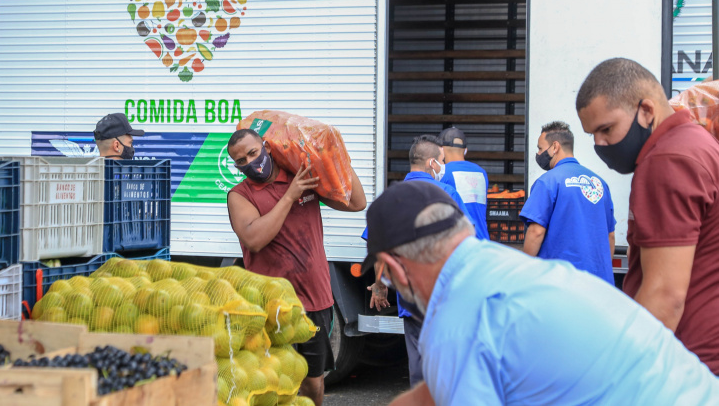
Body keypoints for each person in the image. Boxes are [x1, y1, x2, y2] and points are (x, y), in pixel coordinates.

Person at [360, 181, 719, 406]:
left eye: (385, 274)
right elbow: (432, 395)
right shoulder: (502, 268)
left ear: (396, 265)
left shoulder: (456, 323)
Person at [576, 57, 719, 373]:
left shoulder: (667, 160)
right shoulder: (697, 142)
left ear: (646, 111)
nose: (600, 145)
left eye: (606, 129)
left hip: (682, 366)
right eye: (592, 136)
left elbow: (664, 295)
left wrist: (615, 373)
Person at [225, 128, 366, 406]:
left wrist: (336, 157)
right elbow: (255, 239)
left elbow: (356, 203)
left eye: (253, 153)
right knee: (276, 383)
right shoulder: (240, 195)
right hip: (271, 308)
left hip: (315, 300)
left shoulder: (301, 178)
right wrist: (290, 196)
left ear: (265, 146)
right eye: (241, 161)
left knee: (313, 383)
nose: (250, 163)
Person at [362, 135, 476, 388]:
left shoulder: (389, 198)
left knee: (419, 366)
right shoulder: (448, 194)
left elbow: (378, 248)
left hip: (411, 298)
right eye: (443, 162)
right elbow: (468, 242)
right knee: (449, 367)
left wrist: (380, 286)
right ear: (432, 163)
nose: (443, 167)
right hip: (446, 296)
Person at [519, 121, 617, 284]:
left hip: (561, 282)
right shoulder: (599, 183)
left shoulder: (547, 182)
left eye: (540, 148)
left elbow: (536, 232)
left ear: (554, 147)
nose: (538, 153)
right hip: (598, 282)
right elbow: (610, 235)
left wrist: (524, 273)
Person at [437, 127, 489, 240]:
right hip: (482, 240)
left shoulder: (441, 173)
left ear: (440, 149)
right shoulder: (481, 172)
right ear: (465, 150)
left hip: (458, 243)